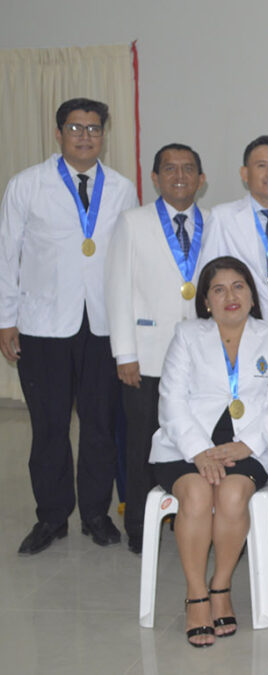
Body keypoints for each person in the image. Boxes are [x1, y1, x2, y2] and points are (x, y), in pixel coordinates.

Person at [0, 98, 139, 555]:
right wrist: (5, 320)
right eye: (76, 127)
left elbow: (129, 258)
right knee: (49, 426)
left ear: (104, 135)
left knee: (100, 426)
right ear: (58, 133)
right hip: (42, 326)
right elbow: (6, 256)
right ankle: (52, 517)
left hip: (101, 324)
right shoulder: (26, 185)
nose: (85, 136)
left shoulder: (121, 188)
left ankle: (96, 515)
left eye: (94, 129)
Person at [149, 256, 268, 647]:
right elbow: (171, 401)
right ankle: (196, 594)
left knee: (232, 494)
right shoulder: (187, 335)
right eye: (218, 289)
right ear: (206, 302)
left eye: (239, 286)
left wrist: (248, 444)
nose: (230, 295)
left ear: (251, 294)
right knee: (196, 493)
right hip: (184, 447)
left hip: (248, 444)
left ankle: (221, 586)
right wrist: (199, 452)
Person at [105, 143, 215, 554]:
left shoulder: (214, 222)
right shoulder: (132, 222)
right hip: (147, 357)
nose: (180, 175)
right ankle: (138, 525)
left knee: (192, 439)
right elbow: (117, 289)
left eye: (189, 168)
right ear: (155, 178)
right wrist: (124, 353)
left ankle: (186, 515)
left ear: (202, 180)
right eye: (170, 169)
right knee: (141, 442)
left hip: (201, 359)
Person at [205, 135, 268, 354]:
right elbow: (209, 282)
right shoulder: (223, 217)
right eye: (262, 166)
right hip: (241, 335)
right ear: (245, 174)